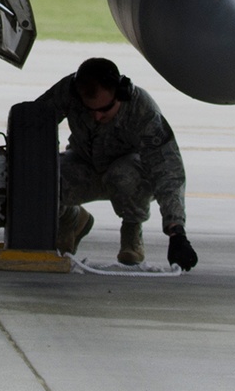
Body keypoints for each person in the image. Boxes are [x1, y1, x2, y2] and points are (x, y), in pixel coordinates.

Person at [32, 57, 199, 269]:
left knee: (123, 174)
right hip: (84, 165)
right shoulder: (69, 92)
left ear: (121, 94)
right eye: (91, 110)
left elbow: (167, 170)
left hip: (128, 174)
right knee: (43, 177)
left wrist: (176, 232)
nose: (98, 116)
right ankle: (70, 220)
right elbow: (33, 122)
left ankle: (132, 232)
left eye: (105, 109)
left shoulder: (142, 110)